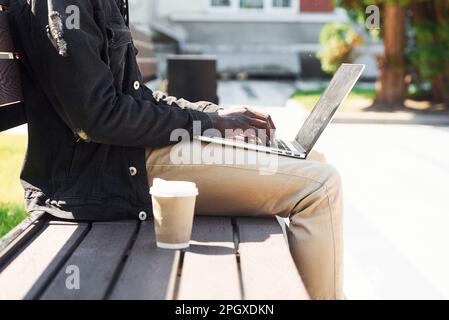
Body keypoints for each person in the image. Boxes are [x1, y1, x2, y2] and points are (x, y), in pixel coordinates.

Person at [9, 0, 343, 299]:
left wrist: (213, 117)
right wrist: (208, 125)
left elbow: (137, 98)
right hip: (108, 172)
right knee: (320, 187)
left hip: (129, 154)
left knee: (312, 160)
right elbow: (96, 117)